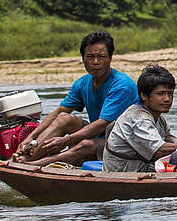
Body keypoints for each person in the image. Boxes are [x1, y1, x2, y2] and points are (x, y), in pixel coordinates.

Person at [14, 30, 138, 167]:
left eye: (101, 57)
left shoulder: (121, 85)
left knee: (86, 145)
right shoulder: (83, 83)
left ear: (110, 58)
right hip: (100, 136)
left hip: (124, 142)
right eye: (90, 57)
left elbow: (103, 123)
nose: (95, 62)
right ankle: (25, 157)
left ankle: (33, 164)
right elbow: (60, 111)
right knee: (63, 118)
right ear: (83, 59)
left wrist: (66, 141)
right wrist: (31, 137)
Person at [102, 64, 177, 172]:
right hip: (124, 172)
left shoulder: (160, 120)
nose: (167, 99)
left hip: (141, 167)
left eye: (170, 94)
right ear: (143, 96)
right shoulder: (138, 118)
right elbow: (160, 151)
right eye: (160, 94)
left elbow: (174, 144)